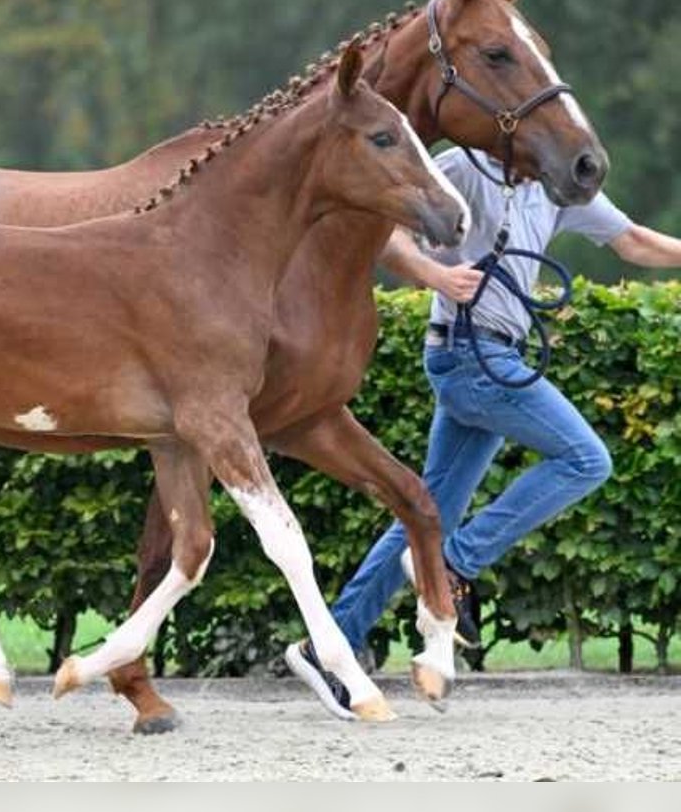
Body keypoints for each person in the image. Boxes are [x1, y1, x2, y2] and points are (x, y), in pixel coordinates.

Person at [286, 146, 681, 720]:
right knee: (585, 460)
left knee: (425, 512)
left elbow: (633, 240)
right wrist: (436, 275)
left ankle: (332, 644)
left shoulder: (557, 186)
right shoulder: (462, 168)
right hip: (470, 353)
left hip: (491, 355)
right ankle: (453, 564)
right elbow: (383, 229)